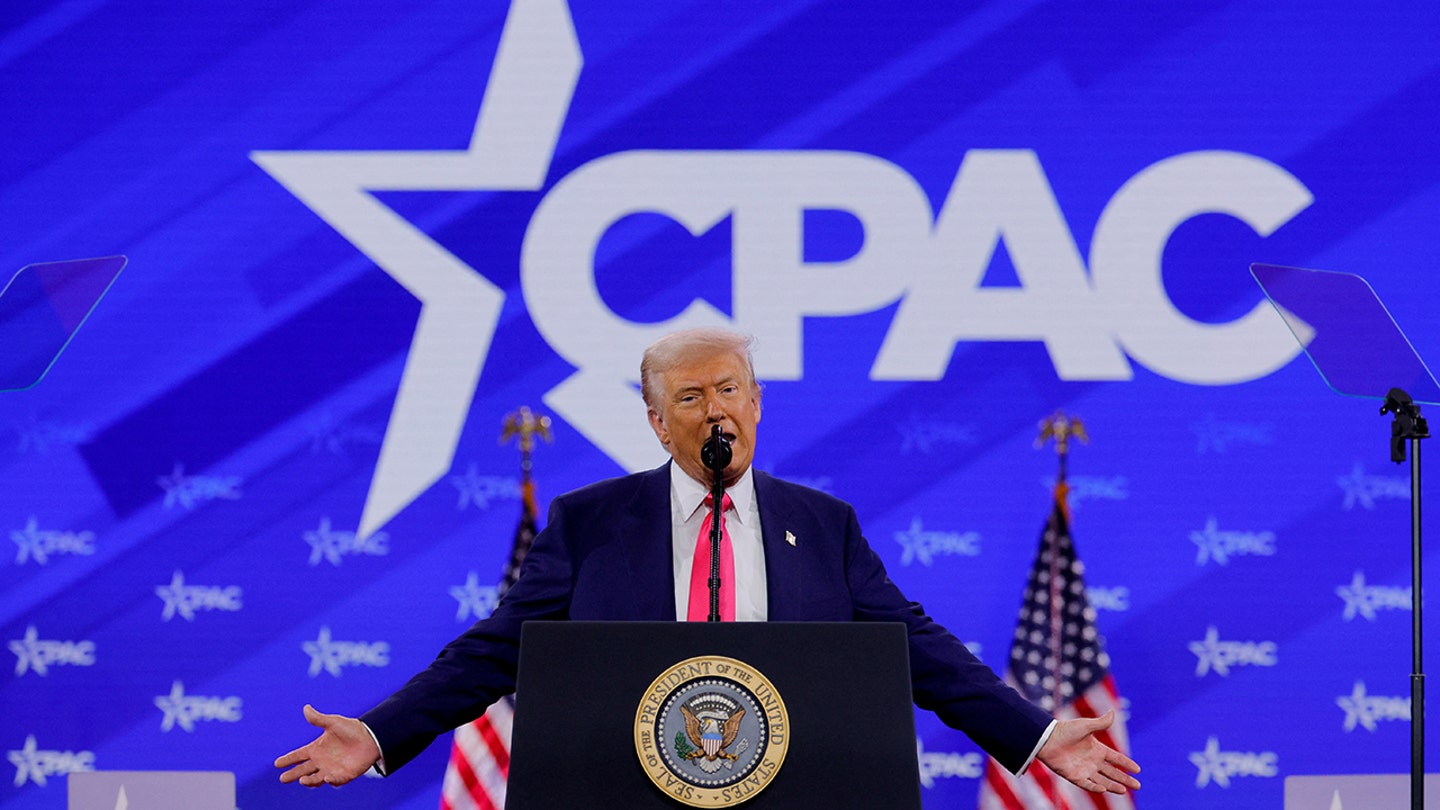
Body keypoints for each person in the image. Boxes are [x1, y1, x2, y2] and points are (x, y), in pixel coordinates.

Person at [276, 327, 1141, 796]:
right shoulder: (590, 524)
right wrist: (384, 730)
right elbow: (492, 652)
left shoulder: (823, 525)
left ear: (757, 403)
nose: (714, 409)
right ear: (658, 422)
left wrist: (1034, 735)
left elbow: (920, 654)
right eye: (689, 397)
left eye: (730, 389)